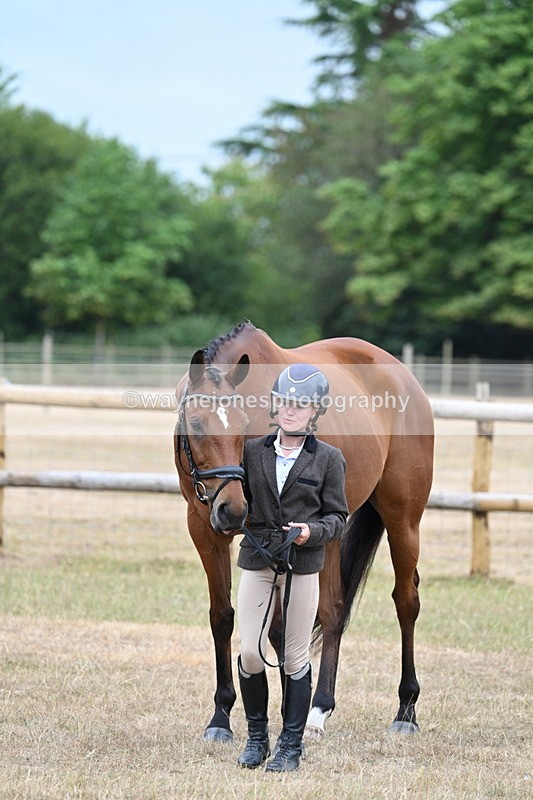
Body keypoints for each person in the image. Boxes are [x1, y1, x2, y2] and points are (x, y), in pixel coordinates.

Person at [236, 363, 348, 772]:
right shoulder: (252, 451)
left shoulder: (329, 459)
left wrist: (310, 531)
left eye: (299, 405)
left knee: (295, 656)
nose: (290, 411)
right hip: (258, 558)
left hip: (302, 564)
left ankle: (290, 745)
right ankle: (256, 736)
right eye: (284, 402)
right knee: (250, 650)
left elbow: (339, 517)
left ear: (314, 411)